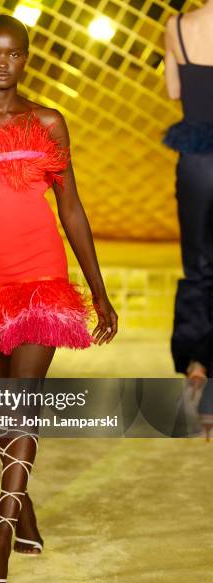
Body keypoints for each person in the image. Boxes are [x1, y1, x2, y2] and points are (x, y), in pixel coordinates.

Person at [0, 14, 118, 583]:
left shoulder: (47, 122)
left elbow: (73, 210)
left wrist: (99, 289)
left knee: (22, 407)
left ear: (27, 58)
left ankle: (2, 537)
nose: (3, 64)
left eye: (14, 54)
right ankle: (28, 512)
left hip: (43, 280)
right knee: (1, 412)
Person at [163, 3, 213, 439]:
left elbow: (174, 91)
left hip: (196, 161)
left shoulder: (177, 25)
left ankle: (197, 364)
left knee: (197, 268)